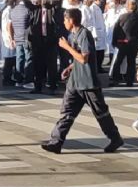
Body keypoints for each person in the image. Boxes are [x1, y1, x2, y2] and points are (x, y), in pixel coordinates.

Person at [41, 8, 124, 154]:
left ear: (71, 20)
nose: (64, 22)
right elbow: (78, 59)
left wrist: (66, 47)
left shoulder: (84, 34)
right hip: (74, 82)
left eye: (65, 20)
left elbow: (84, 58)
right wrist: (70, 67)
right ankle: (56, 142)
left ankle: (115, 137)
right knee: (67, 112)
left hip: (88, 82)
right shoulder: (72, 35)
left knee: (101, 112)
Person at [110, 0, 138, 87]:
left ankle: (115, 79)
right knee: (131, 61)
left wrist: (114, 41)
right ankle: (129, 81)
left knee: (118, 61)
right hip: (134, 42)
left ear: (127, 7)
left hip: (122, 42)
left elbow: (116, 29)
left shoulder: (122, 17)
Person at [30, 1, 59, 95]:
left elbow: (58, 1)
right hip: (38, 40)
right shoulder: (36, 9)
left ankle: (52, 87)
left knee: (51, 65)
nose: (43, 1)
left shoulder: (52, 9)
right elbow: (27, 3)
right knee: (37, 64)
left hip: (50, 41)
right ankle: (37, 86)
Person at [10, 0, 34, 88]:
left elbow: (10, 25)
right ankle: (28, 81)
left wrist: (12, 38)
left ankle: (18, 80)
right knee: (29, 58)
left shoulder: (13, 10)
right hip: (27, 37)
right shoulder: (27, 10)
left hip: (17, 37)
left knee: (19, 59)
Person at [90, 0, 108, 73]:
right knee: (98, 52)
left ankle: (99, 67)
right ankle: (97, 67)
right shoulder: (92, 8)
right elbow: (92, 21)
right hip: (97, 33)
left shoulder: (98, 8)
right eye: (100, 0)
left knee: (101, 51)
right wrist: (94, 34)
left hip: (101, 32)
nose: (101, 2)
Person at [1, 0, 17, 86]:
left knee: (11, 59)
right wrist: (11, 38)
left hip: (8, 37)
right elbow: (8, 26)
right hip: (8, 37)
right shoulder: (8, 11)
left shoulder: (7, 10)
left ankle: (8, 77)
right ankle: (7, 78)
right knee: (9, 60)